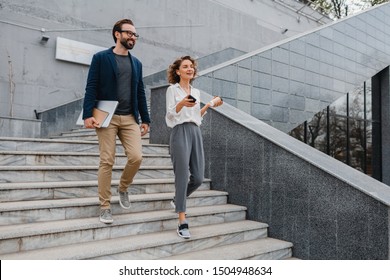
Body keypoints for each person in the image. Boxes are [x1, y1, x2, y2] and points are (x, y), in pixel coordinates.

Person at [82, 19, 150, 224]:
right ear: (117, 34)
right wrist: (87, 114)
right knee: (107, 160)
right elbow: (91, 86)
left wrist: (145, 118)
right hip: (107, 116)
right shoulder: (101, 58)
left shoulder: (136, 63)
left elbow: (140, 91)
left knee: (136, 157)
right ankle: (104, 206)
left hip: (129, 117)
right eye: (129, 33)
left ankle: (123, 187)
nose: (132, 37)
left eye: (135, 35)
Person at [165, 56, 223, 239]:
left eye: (191, 66)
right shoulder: (171, 90)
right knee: (182, 176)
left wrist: (209, 105)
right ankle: (182, 221)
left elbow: (196, 115)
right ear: (178, 71)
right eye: (185, 66)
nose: (190, 69)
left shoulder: (195, 92)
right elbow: (169, 115)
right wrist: (181, 103)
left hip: (195, 131)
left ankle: (177, 200)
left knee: (197, 178)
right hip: (179, 132)